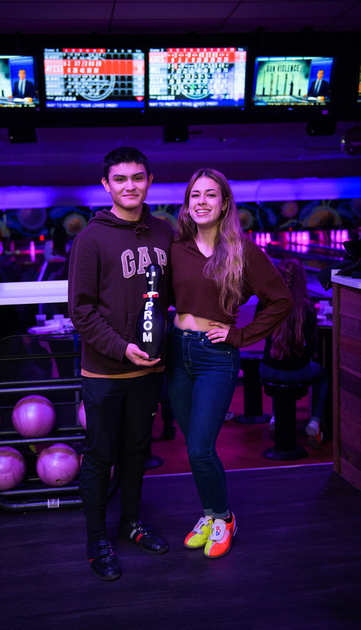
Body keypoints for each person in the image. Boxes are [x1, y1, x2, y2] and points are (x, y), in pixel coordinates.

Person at [165, 168, 293, 560]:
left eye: (210, 194)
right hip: (177, 352)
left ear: (224, 204)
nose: (201, 201)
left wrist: (240, 336)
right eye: (195, 195)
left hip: (215, 356)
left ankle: (224, 518)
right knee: (193, 447)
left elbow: (281, 300)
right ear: (187, 204)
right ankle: (209, 514)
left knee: (201, 447)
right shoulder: (176, 247)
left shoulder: (242, 251)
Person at [68, 146, 173, 581]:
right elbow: (81, 310)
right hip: (106, 371)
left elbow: (173, 296)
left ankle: (131, 522)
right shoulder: (91, 239)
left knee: (136, 451)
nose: (130, 186)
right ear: (106, 185)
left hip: (150, 369)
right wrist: (120, 347)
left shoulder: (164, 231)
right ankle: (97, 539)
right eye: (121, 179)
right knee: (99, 455)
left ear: (149, 181)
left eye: (138, 177)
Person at [258, 258, 328, 449]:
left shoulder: (266, 303)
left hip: (267, 369)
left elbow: (261, 334)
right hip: (296, 372)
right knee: (322, 373)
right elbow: (311, 349)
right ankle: (314, 422)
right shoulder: (307, 308)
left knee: (278, 369)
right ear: (301, 280)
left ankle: (275, 417)